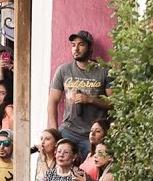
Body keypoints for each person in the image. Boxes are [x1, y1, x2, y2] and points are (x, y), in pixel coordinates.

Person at [47, 30, 111, 158]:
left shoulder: (104, 71)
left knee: (90, 172)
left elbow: (113, 103)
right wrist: (55, 132)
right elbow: (52, 102)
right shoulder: (63, 70)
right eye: (73, 45)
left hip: (93, 135)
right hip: (68, 130)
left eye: (81, 44)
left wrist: (90, 99)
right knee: (61, 168)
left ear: (90, 48)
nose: (76, 49)